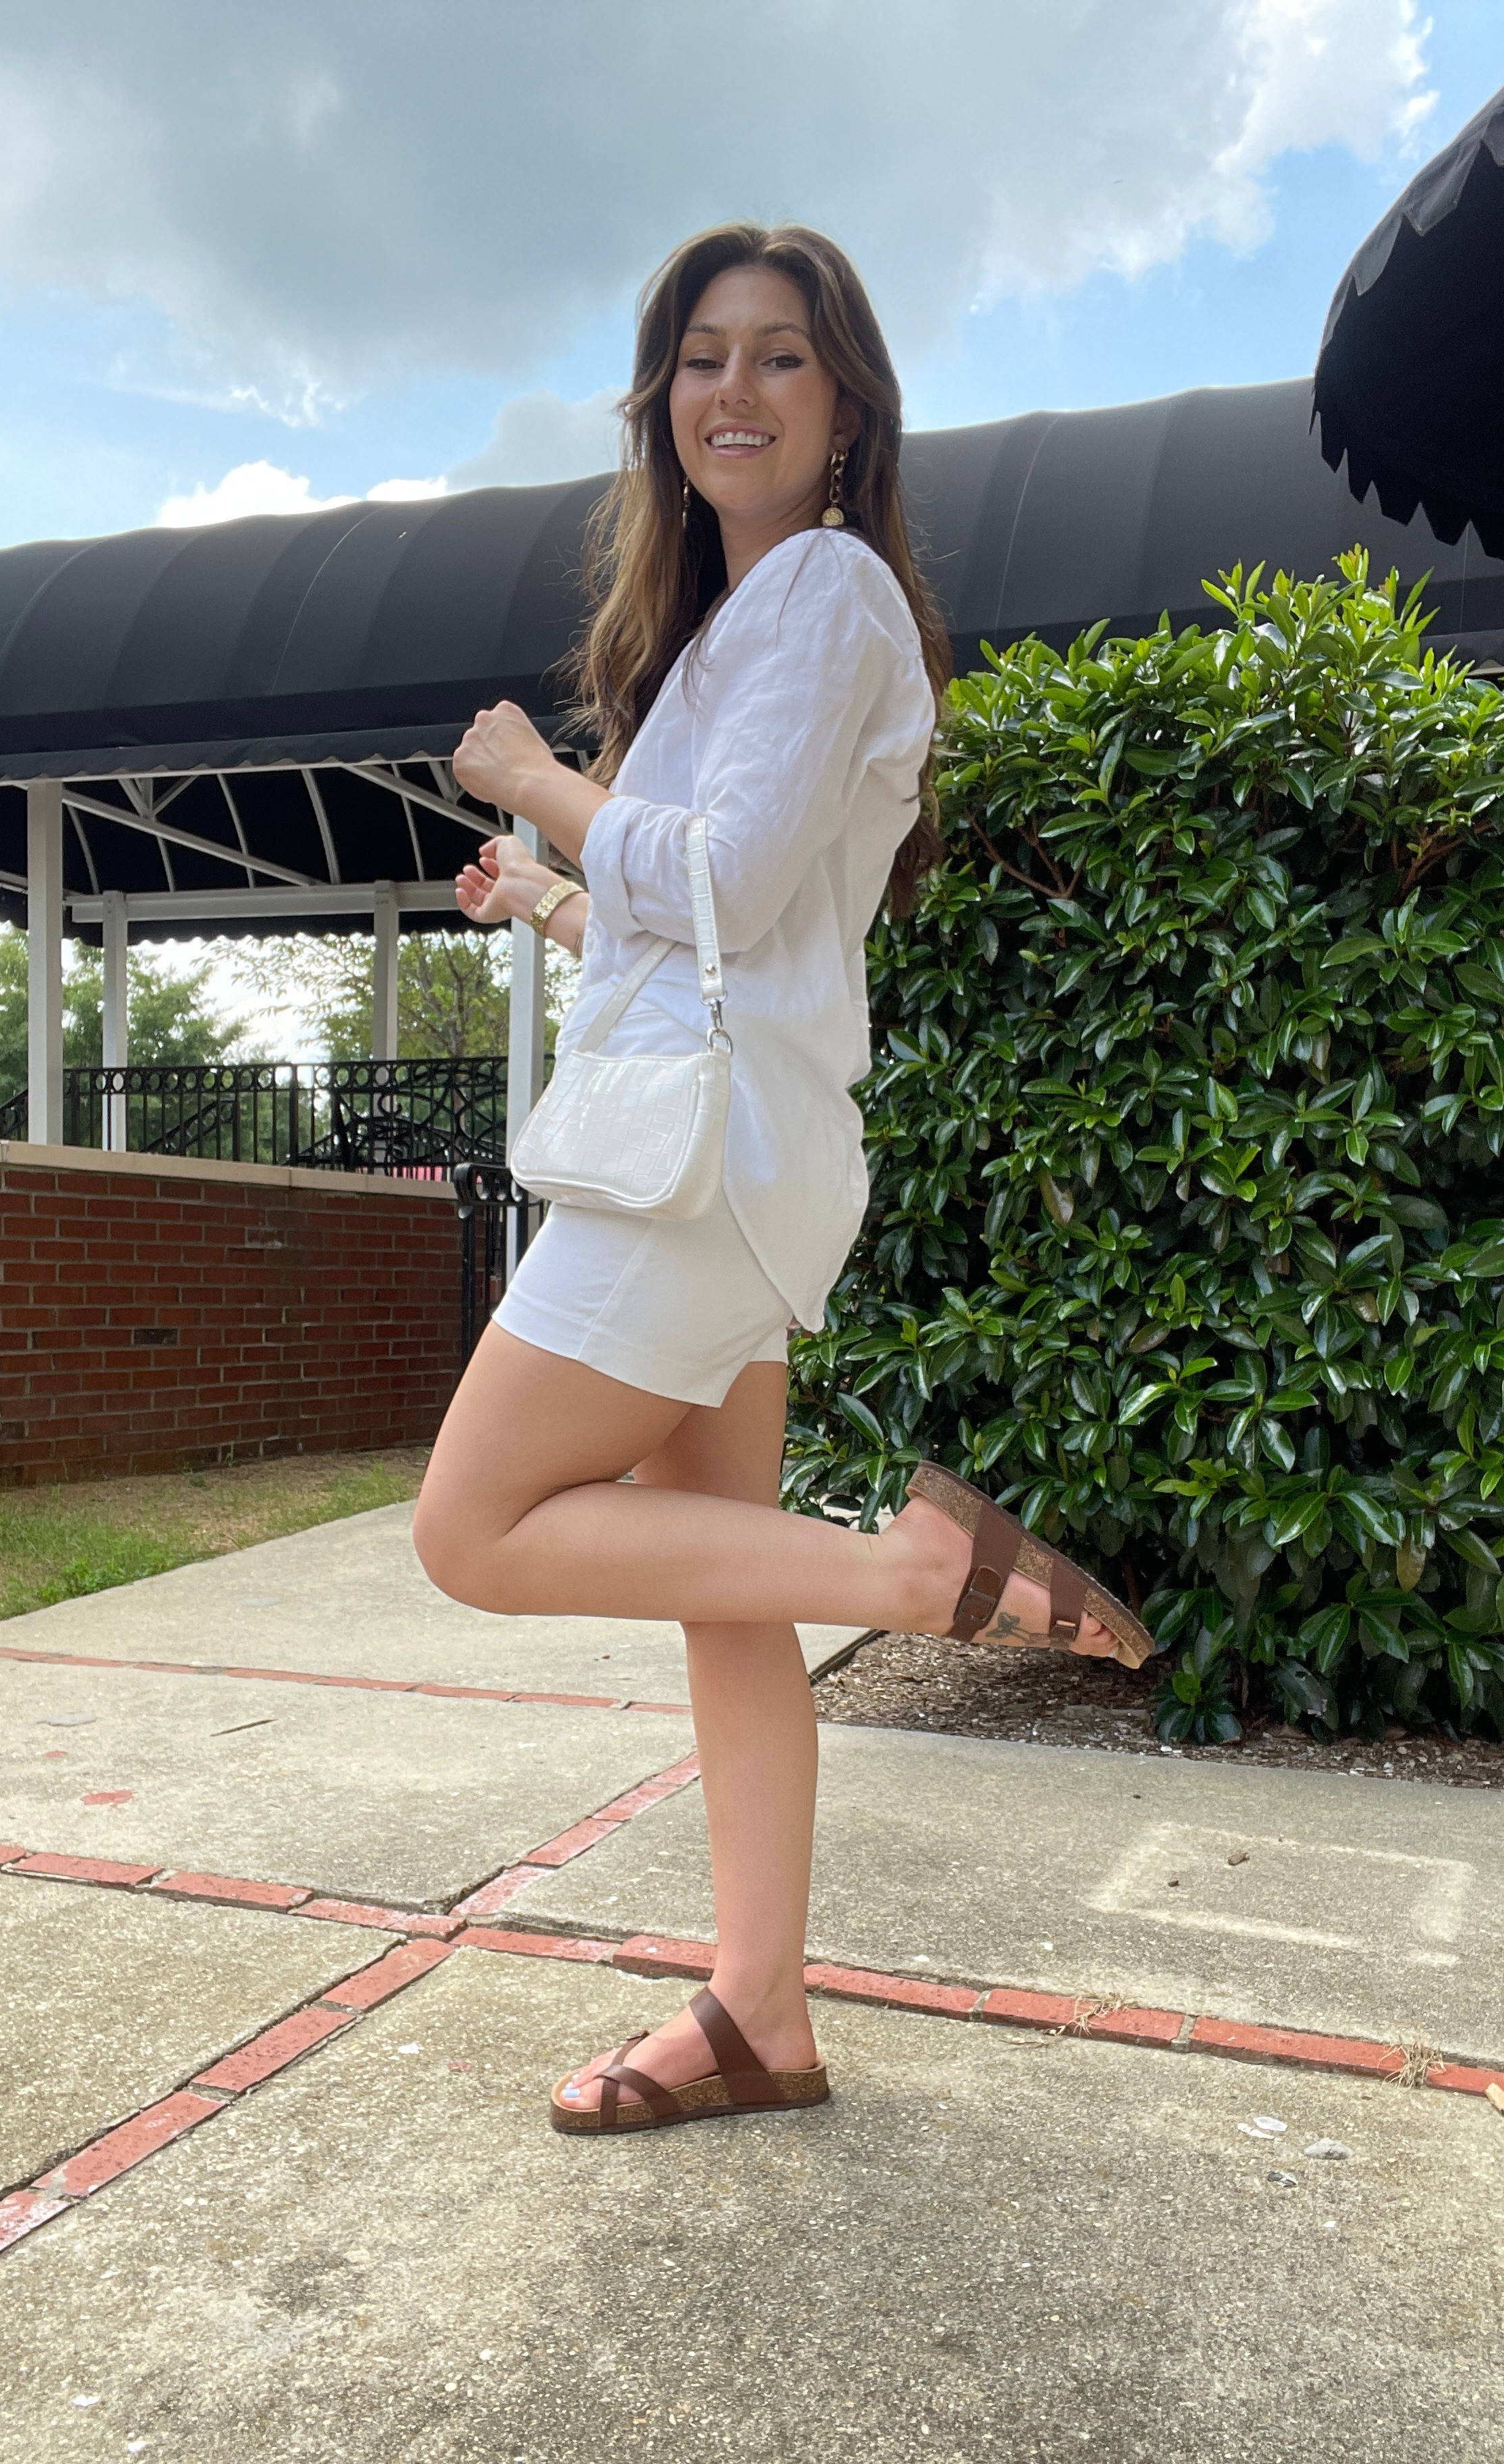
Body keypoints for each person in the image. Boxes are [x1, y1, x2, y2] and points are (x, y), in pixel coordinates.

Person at [416, 221, 1153, 2138]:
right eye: (702, 357)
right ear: (661, 402)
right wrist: (556, 900)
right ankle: (761, 2015)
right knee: (721, 1592)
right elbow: (718, 933)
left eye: (781, 356)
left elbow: (728, 886)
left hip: (696, 1174)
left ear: (848, 412)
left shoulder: (824, 587)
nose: (731, 390)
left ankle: (915, 1571)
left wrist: (537, 779)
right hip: (733, 1152)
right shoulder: (746, 626)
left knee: (472, 1528)